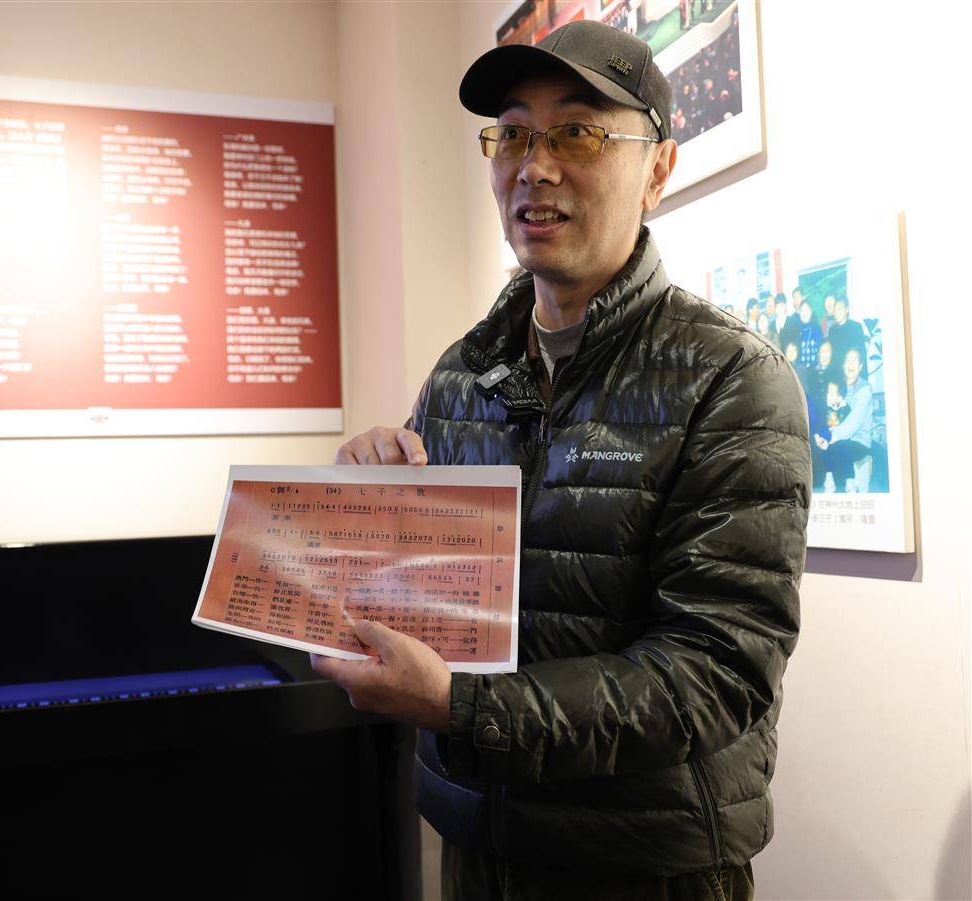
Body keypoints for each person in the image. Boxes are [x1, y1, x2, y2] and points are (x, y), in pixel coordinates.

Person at [313, 20, 811, 900]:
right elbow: (428, 601)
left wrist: (463, 708)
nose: (535, 166)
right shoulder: (463, 374)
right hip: (475, 843)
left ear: (658, 168)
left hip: (646, 868)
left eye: (577, 132)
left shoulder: (733, 378)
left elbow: (716, 671)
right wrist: (371, 509)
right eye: (512, 134)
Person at [816, 348, 875, 493]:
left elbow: (852, 424)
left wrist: (829, 437)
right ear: (843, 365)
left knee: (837, 448)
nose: (851, 364)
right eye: (848, 360)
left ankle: (850, 481)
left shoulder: (865, 388)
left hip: (857, 441)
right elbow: (825, 413)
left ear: (861, 366)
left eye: (855, 360)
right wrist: (820, 435)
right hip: (835, 437)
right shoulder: (837, 386)